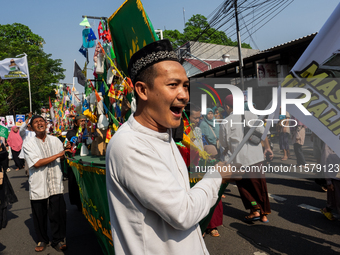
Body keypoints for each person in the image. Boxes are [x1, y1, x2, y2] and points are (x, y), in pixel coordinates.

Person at [106, 39, 236, 255]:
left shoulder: (164, 135)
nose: (184, 95)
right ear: (142, 90)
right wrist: (217, 176)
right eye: (173, 85)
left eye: (185, 85)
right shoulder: (130, 144)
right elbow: (183, 213)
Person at [220, 94, 274, 223]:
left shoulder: (226, 122)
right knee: (259, 185)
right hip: (256, 158)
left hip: (239, 160)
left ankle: (254, 210)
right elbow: (263, 133)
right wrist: (267, 148)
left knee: (245, 187)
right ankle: (263, 214)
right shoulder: (251, 115)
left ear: (227, 107)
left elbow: (224, 144)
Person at [23, 115, 66, 252]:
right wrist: (58, 155)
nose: (40, 123)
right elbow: (36, 163)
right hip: (38, 183)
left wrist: (66, 152)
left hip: (55, 182)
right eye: (36, 122)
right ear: (31, 127)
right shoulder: (28, 143)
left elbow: (63, 156)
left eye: (41, 121)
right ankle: (42, 239)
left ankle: (58, 239)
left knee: (57, 213)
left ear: (46, 124)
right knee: (39, 213)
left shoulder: (55, 140)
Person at [65, 115, 87, 211]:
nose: (83, 123)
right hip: (74, 162)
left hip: (85, 162)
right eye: (81, 121)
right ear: (75, 123)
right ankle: (78, 204)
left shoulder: (88, 130)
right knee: (75, 184)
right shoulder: (71, 133)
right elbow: (73, 139)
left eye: (85, 121)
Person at [0, 137, 18, 229]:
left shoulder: (0, 144)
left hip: (0, 178)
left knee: (2, 199)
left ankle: (2, 221)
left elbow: (4, 159)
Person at [320, 144, 340, 221]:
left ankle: (328, 209)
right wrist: (328, 181)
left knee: (334, 198)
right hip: (336, 178)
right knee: (336, 198)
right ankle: (328, 208)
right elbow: (325, 163)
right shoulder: (329, 144)